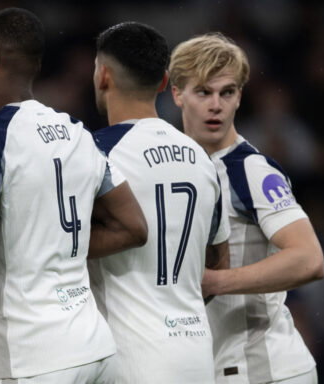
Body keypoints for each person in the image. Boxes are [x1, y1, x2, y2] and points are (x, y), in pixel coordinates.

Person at [0, 8, 148, 384]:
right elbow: (134, 227)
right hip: (95, 349)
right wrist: (55, 244)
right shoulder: (78, 132)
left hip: (31, 355)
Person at [169, 33, 324, 384]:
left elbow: (309, 258)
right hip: (211, 368)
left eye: (226, 92)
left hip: (265, 370)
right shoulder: (171, 167)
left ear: (240, 96)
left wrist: (217, 281)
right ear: (177, 94)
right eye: (203, 92)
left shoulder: (251, 170)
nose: (216, 105)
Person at [87, 22, 230, 384]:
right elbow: (218, 265)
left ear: (103, 76)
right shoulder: (202, 159)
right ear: (165, 82)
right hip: (197, 357)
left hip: (130, 360)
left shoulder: (93, 152)